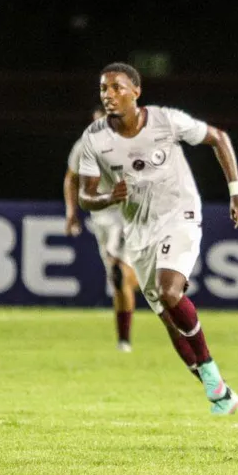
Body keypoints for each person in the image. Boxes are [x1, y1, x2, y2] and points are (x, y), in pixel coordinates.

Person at [76, 62, 238, 415]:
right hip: (137, 232)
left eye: (117, 88)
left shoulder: (165, 120)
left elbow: (219, 137)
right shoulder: (94, 138)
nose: (109, 95)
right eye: (103, 89)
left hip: (179, 216)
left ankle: (212, 372)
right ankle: (218, 394)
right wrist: (108, 198)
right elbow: (85, 196)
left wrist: (237, 193)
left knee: (170, 291)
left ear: (136, 91)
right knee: (169, 319)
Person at [65, 105, 139, 352]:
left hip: (131, 214)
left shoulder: (134, 143)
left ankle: (124, 338)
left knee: (119, 274)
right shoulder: (84, 145)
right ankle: (124, 339)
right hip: (102, 217)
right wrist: (71, 212)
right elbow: (72, 178)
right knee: (118, 280)